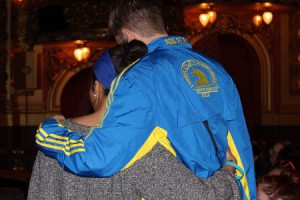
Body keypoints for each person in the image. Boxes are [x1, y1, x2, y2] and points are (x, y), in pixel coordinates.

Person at [35, 0, 256, 199]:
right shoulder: (216, 70)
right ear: (163, 27)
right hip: (221, 188)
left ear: (126, 37)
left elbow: (99, 157)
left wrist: (50, 131)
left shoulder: (138, 77)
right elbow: (240, 149)